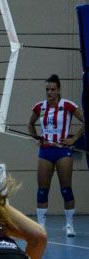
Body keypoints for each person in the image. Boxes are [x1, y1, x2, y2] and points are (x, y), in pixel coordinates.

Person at [29, 74, 83, 237]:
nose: (50, 92)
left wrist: (74, 138)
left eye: (53, 89)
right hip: (46, 151)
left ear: (58, 90)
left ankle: (69, 225)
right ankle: (41, 226)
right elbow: (30, 124)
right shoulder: (40, 106)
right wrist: (36, 138)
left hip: (62, 151)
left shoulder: (68, 105)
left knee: (66, 189)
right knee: (42, 191)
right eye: (47, 90)